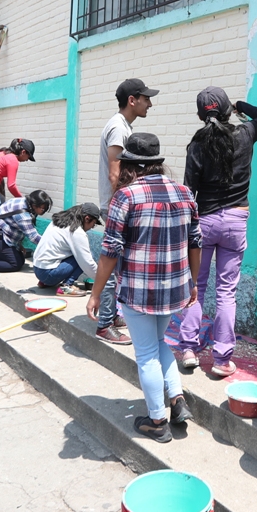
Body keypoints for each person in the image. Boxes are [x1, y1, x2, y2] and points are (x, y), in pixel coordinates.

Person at [87, 133, 200, 444]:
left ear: (129, 166)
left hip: (139, 290)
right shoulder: (184, 193)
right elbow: (195, 242)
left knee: (147, 352)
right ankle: (176, 400)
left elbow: (110, 249)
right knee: (159, 342)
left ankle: (157, 420)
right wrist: (192, 281)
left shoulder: (126, 197)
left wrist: (96, 293)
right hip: (176, 288)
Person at [178, 87, 257, 377]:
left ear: (200, 114)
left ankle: (189, 350)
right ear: (227, 111)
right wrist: (239, 105)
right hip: (235, 221)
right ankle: (221, 360)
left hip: (204, 222)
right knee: (226, 292)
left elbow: (188, 191)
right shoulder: (244, 134)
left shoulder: (196, 144)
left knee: (196, 288)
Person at [94, 78, 158, 346]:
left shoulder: (121, 126)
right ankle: (105, 324)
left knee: (119, 267)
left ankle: (112, 314)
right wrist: (129, 207)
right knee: (111, 265)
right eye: (146, 98)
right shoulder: (119, 129)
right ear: (132, 100)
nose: (150, 104)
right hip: (116, 208)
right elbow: (114, 174)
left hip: (116, 206)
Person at [0, 189, 51, 273]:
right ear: (34, 205)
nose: (44, 211)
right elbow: (33, 237)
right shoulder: (23, 214)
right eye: (43, 209)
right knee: (15, 263)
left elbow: (12, 224)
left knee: (21, 259)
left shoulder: (20, 201)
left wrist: (18, 244)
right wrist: (51, 245)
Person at [33, 203, 102, 296]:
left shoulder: (59, 221)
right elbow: (87, 263)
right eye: (93, 224)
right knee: (88, 255)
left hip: (38, 268)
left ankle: (45, 282)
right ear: (87, 218)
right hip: (48, 274)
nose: (91, 228)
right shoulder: (77, 232)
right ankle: (66, 287)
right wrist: (102, 279)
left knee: (76, 254)